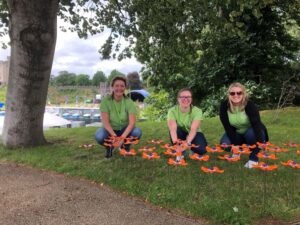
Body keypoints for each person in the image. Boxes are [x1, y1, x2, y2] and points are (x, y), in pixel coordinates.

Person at [219, 82, 269, 168]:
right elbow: (227, 127)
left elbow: (257, 126)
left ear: (243, 94)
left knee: (251, 134)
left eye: (239, 93)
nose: (235, 95)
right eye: (232, 93)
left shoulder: (249, 105)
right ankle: (238, 151)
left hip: (253, 131)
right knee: (225, 144)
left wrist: (261, 144)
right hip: (237, 132)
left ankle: (253, 159)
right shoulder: (224, 106)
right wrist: (235, 145)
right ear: (229, 95)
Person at [95, 76, 142, 158]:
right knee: (99, 136)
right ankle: (110, 147)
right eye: (116, 85)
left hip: (124, 129)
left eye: (122, 86)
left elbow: (132, 123)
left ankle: (125, 146)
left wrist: (122, 138)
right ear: (112, 87)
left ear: (125, 87)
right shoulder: (106, 101)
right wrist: (115, 137)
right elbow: (105, 123)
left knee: (137, 132)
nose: (119, 88)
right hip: (110, 130)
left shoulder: (129, 102)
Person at [167, 88, 208, 159]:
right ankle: (180, 152)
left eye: (188, 97)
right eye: (182, 97)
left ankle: (192, 149)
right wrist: (176, 144)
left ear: (191, 99)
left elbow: (193, 129)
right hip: (180, 133)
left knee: (202, 150)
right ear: (178, 99)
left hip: (194, 133)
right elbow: (172, 129)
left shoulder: (197, 111)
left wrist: (186, 144)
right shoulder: (172, 111)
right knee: (177, 130)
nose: (185, 99)